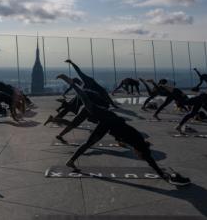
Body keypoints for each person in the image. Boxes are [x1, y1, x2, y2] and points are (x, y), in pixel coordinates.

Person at [60, 76, 191, 186]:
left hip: (108, 124)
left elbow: (122, 134)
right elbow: (151, 162)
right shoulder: (139, 144)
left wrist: (119, 140)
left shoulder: (136, 142)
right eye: (139, 155)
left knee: (89, 142)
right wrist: (164, 176)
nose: (137, 156)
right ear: (140, 150)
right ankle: (71, 83)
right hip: (108, 118)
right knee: (86, 101)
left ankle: (70, 161)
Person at [49, 74, 111, 144]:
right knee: (74, 124)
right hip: (89, 110)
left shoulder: (93, 94)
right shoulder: (94, 96)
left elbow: (75, 86)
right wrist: (64, 77)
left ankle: (58, 131)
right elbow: (74, 86)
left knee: (73, 124)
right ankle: (56, 126)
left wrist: (64, 78)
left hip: (87, 110)